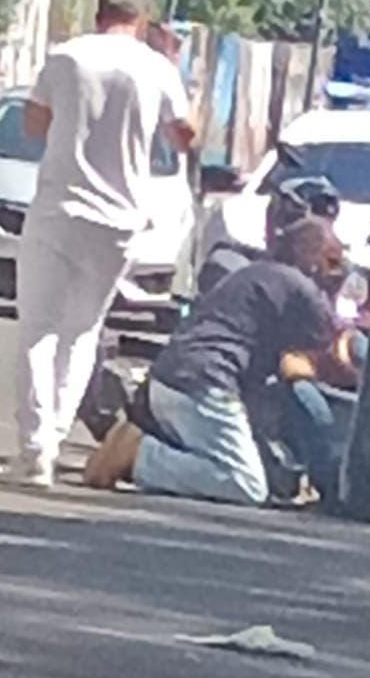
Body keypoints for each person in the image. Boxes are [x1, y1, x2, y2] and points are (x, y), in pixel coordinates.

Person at [7, 0, 195, 488]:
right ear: (144, 21)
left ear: (99, 12)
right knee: (82, 330)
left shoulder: (66, 57)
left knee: (37, 330)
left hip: (59, 208)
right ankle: (56, 434)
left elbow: (33, 125)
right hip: (120, 219)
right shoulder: (157, 69)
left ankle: (33, 451)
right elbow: (185, 137)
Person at [83, 217, 348, 506]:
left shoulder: (255, 274)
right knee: (245, 484)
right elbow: (337, 350)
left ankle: (139, 439)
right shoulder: (299, 288)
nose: (339, 268)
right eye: (332, 260)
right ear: (311, 258)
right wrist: (336, 288)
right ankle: (140, 457)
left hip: (170, 376)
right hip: (206, 382)